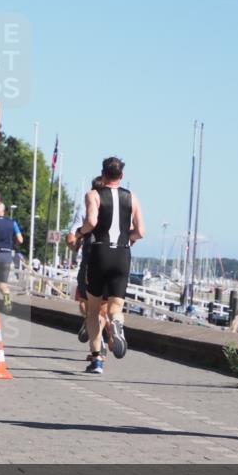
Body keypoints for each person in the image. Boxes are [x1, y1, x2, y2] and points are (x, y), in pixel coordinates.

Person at [78, 157, 145, 374]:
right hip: (122, 254)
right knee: (116, 307)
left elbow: (91, 222)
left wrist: (80, 232)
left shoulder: (94, 195)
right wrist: (129, 237)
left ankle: (97, 359)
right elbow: (141, 232)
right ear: (122, 175)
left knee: (94, 310)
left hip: (100, 252)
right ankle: (116, 323)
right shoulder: (132, 197)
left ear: (103, 173)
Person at [66, 197, 107, 357]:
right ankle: (96, 334)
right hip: (112, 261)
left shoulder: (85, 211)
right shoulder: (117, 209)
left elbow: (72, 237)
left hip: (89, 261)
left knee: (89, 308)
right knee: (98, 310)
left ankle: (97, 348)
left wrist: (74, 243)